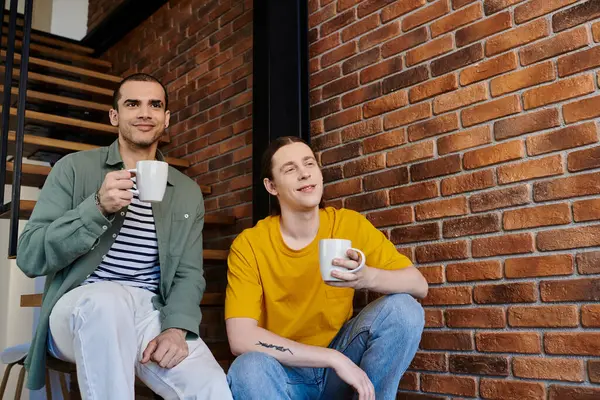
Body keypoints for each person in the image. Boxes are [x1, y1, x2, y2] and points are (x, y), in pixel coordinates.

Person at [17, 73, 232, 399]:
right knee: (108, 302)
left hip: (150, 312)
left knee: (210, 386)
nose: (145, 113)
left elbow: (189, 274)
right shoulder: (73, 169)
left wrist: (176, 328)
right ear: (115, 116)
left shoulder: (187, 192)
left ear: (166, 118)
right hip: (80, 306)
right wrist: (97, 208)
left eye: (155, 105)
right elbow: (31, 255)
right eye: (133, 103)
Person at [224, 136, 428, 400]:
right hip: (285, 373)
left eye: (309, 163)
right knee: (247, 369)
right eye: (290, 169)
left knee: (404, 310)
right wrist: (331, 359)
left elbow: (419, 285)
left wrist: (366, 277)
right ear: (271, 186)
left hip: (343, 366)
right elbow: (240, 337)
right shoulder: (250, 244)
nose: (304, 173)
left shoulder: (348, 225)